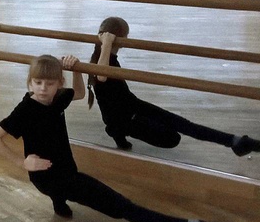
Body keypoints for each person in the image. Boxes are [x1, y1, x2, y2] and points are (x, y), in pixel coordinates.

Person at [0, 54, 239, 222]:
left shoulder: (56, 99)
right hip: (50, 176)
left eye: (49, 83)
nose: (43, 88)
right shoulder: (26, 110)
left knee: (66, 189)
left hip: (64, 166)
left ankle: (59, 204)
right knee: (124, 207)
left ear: (58, 84)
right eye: (37, 83)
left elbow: (79, 93)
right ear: (29, 83)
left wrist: (76, 69)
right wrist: (22, 163)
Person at [88, 16, 260, 156]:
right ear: (120, 38)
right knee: (172, 138)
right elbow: (102, 75)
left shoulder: (103, 56)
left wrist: (106, 44)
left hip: (132, 106)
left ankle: (235, 141)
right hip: (124, 118)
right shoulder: (101, 59)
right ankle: (116, 131)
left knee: (185, 125)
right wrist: (107, 44)